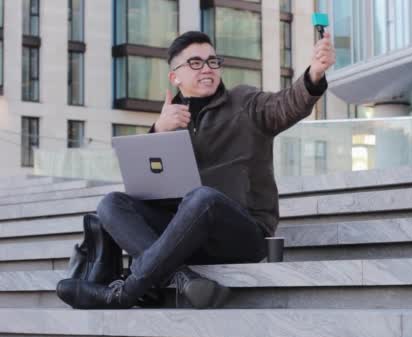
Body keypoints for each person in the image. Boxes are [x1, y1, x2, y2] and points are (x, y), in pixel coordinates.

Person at [56, 30, 336, 309]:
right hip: (185, 239)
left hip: (242, 233)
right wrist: (157, 131)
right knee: (110, 203)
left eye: (213, 61)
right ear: (174, 76)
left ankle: (123, 293)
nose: (207, 69)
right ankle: (183, 278)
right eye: (195, 63)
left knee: (202, 197)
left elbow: (286, 105)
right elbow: (145, 187)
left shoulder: (245, 102)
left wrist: (313, 75)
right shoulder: (168, 121)